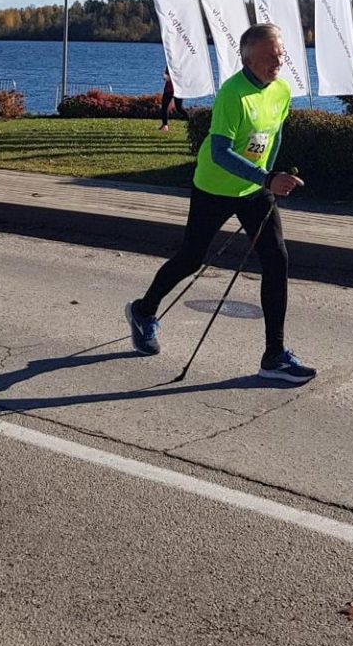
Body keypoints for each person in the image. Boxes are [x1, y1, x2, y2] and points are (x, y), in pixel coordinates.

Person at [126, 23, 316, 384]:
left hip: (254, 190)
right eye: (269, 56)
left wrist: (269, 177)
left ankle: (274, 356)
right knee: (191, 258)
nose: (278, 61)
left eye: (280, 54)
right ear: (247, 59)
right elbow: (220, 152)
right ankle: (143, 311)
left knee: (277, 260)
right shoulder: (233, 94)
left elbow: (274, 135)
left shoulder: (281, 90)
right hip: (213, 187)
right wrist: (266, 178)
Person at [158, 67, 186, 131]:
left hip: (177, 90)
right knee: (165, 107)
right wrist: (166, 76)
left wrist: (168, 77)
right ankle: (165, 125)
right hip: (169, 90)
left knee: (179, 108)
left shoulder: (180, 66)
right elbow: (166, 78)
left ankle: (190, 120)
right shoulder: (169, 65)